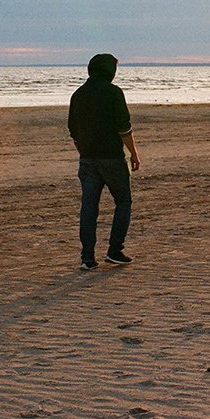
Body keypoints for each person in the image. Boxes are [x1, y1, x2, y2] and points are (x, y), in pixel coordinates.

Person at [67, 53, 141, 270]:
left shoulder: (78, 94)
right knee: (123, 202)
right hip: (112, 158)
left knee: (89, 208)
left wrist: (83, 150)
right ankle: (115, 250)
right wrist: (134, 153)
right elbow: (124, 127)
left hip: (88, 159)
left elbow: (73, 130)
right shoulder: (114, 93)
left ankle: (87, 257)